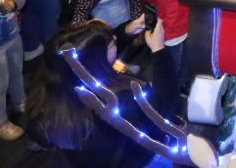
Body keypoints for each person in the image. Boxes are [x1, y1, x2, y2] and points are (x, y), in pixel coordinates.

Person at [25, 19, 179, 165]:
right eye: (112, 43)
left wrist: (125, 31)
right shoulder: (117, 102)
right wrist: (159, 50)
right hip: (132, 158)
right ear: (96, 59)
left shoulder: (45, 88)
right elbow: (165, 105)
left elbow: (92, 53)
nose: (115, 38)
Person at [0, 0, 26, 141]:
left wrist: (13, 4)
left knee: (17, 71)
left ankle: (19, 100)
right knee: (0, 85)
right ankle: (1, 122)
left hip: (13, 36)